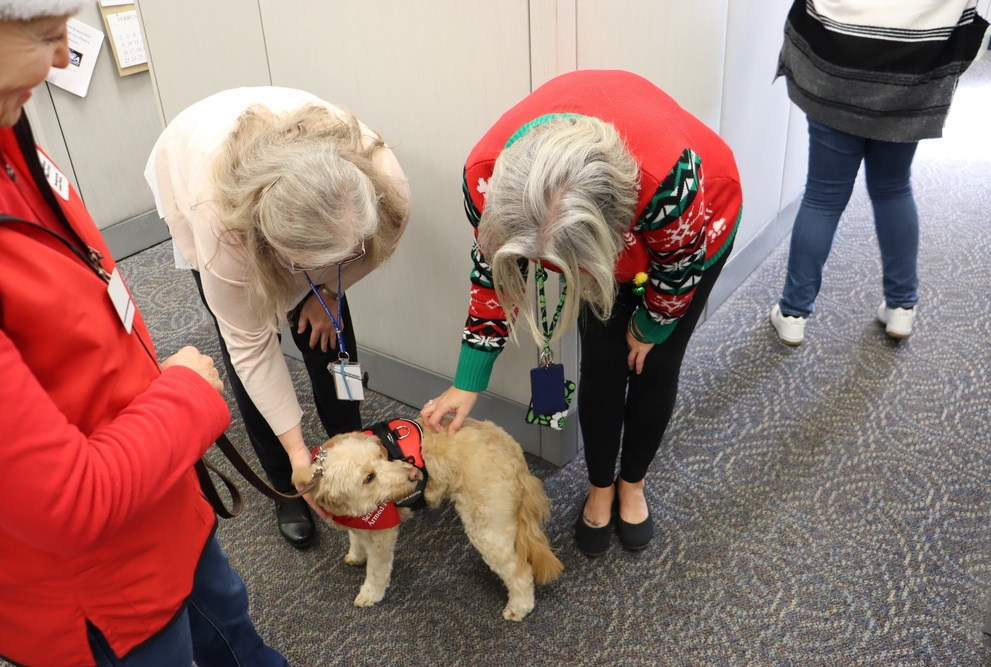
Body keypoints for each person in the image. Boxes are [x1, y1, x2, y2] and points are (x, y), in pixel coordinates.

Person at [0, 2, 288, 665]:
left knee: (234, 634)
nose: (61, 57)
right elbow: (65, 502)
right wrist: (186, 395)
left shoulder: (10, 127)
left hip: (159, 489)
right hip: (95, 590)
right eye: (45, 36)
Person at [421, 70, 742, 557]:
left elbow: (678, 270)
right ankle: (600, 486)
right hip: (592, 246)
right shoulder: (485, 177)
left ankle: (631, 483)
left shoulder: (668, 180)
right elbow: (493, 273)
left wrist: (651, 323)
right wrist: (469, 378)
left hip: (693, 233)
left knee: (653, 364)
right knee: (601, 366)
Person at [145, 87, 411, 548]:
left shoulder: (385, 180)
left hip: (310, 191)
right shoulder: (220, 228)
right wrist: (297, 452)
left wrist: (328, 289)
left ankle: (350, 437)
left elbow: (375, 246)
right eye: (308, 266)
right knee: (246, 342)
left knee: (334, 339)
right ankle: (286, 484)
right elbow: (252, 348)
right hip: (203, 168)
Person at [769, 0, 989, 345]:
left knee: (823, 195)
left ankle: (794, 313)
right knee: (893, 188)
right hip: (917, 68)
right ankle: (902, 307)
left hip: (836, 61)